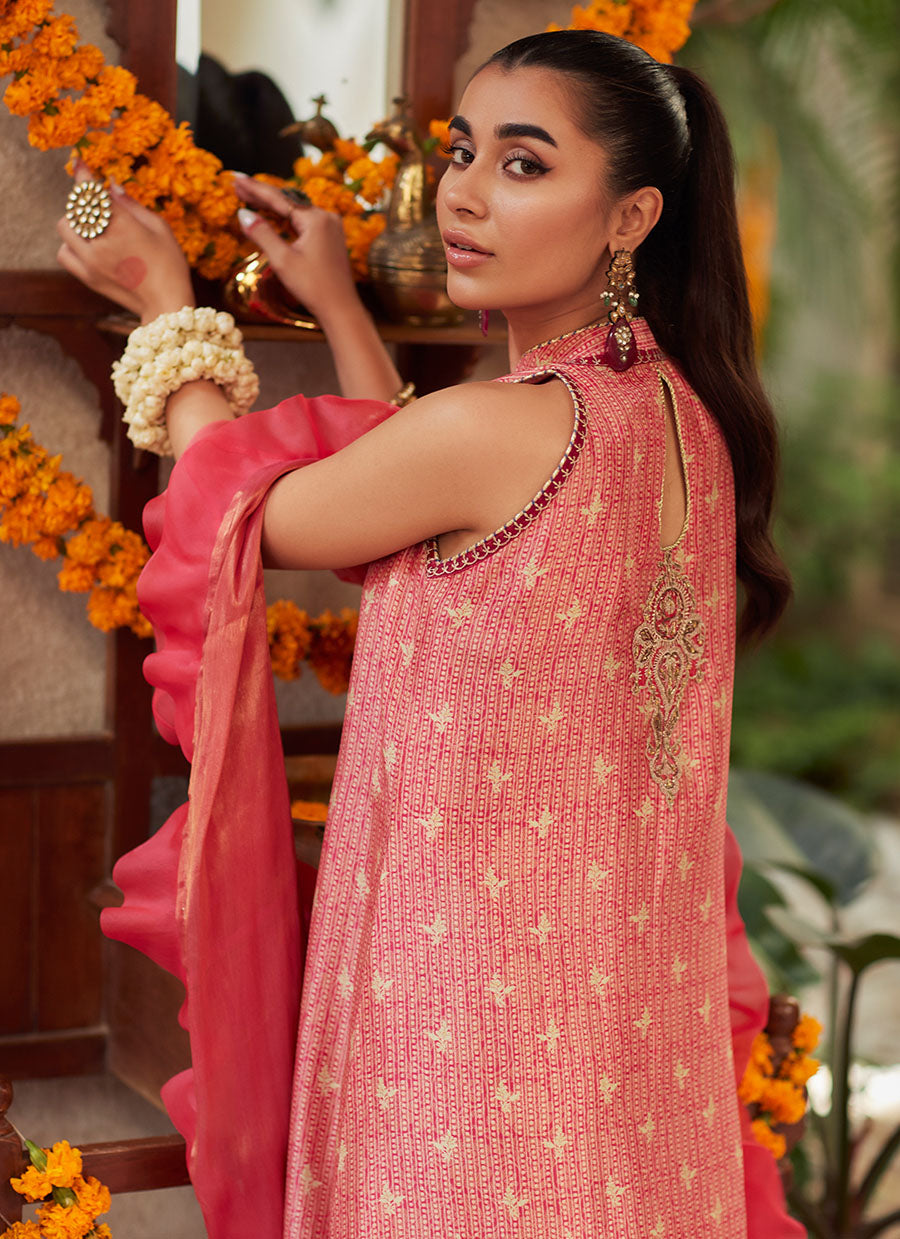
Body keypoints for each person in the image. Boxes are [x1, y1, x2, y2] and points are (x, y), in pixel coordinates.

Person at [56, 28, 806, 1239]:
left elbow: (241, 507)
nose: (461, 191)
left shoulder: (498, 436)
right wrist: (342, 305)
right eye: (462, 151)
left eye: (524, 164)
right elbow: (413, 491)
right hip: (614, 1073)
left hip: (468, 1060)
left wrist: (163, 304)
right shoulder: (679, 415)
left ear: (630, 217)